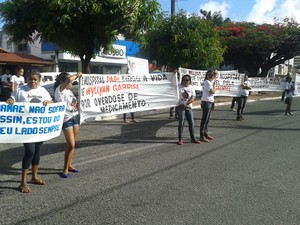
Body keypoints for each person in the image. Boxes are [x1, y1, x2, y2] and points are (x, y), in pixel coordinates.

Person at [6, 69, 53, 193]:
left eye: (35, 79)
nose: (33, 81)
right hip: (26, 128)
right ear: (27, 79)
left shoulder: (43, 91)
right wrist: (10, 101)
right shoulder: (20, 90)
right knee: (30, 152)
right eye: (30, 78)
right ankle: (23, 182)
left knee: (37, 151)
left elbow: (51, 101)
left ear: (39, 80)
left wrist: (48, 102)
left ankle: (34, 177)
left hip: (39, 127)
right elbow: (12, 99)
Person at [54, 72, 82, 178]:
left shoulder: (68, 91)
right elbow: (70, 80)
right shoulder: (60, 90)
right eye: (68, 80)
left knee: (73, 144)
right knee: (71, 144)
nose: (72, 81)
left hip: (75, 117)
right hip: (66, 120)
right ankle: (65, 168)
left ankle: (70, 165)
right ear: (62, 82)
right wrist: (77, 74)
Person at [177, 74, 200, 145]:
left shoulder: (192, 88)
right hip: (180, 107)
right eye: (184, 80)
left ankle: (192, 138)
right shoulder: (178, 87)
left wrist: (185, 104)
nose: (185, 81)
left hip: (188, 107)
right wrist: (175, 74)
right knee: (181, 122)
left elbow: (192, 98)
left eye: (187, 80)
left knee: (191, 123)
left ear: (190, 81)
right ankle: (180, 139)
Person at [200, 70, 217, 142]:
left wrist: (214, 81)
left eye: (212, 75)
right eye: (209, 74)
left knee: (207, 120)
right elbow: (212, 91)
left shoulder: (211, 82)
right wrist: (214, 86)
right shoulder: (207, 82)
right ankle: (202, 135)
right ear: (207, 75)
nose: (211, 76)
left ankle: (205, 133)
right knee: (204, 120)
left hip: (210, 102)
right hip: (206, 102)